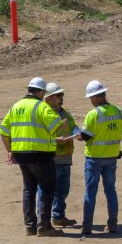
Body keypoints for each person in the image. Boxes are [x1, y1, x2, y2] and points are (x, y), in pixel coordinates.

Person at [0, 77, 62, 237]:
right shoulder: (42, 107)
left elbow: (3, 131)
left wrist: (10, 150)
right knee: (48, 187)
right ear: (40, 92)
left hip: (21, 155)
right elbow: (57, 128)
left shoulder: (15, 107)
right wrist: (64, 122)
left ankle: (30, 226)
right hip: (40, 154)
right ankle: (44, 226)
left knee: (29, 189)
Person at [74, 79, 122, 237]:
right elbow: (119, 133)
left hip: (94, 158)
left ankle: (87, 226)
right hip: (112, 157)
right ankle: (113, 224)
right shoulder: (117, 111)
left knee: (90, 192)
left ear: (95, 97)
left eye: (90, 98)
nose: (91, 101)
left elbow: (86, 136)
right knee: (111, 191)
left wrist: (79, 136)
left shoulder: (93, 114)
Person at [40, 84, 79, 229]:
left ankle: (58, 216)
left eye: (62, 95)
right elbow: (41, 136)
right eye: (58, 95)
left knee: (63, 190)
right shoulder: (44, 113)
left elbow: (74, 126)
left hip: (65, 157)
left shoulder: (64, 113)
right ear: (49, 98)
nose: (61, 98)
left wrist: (79, 133)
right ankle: (43, 219)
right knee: (48, 190)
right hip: (51, 158)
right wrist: (58, 141)